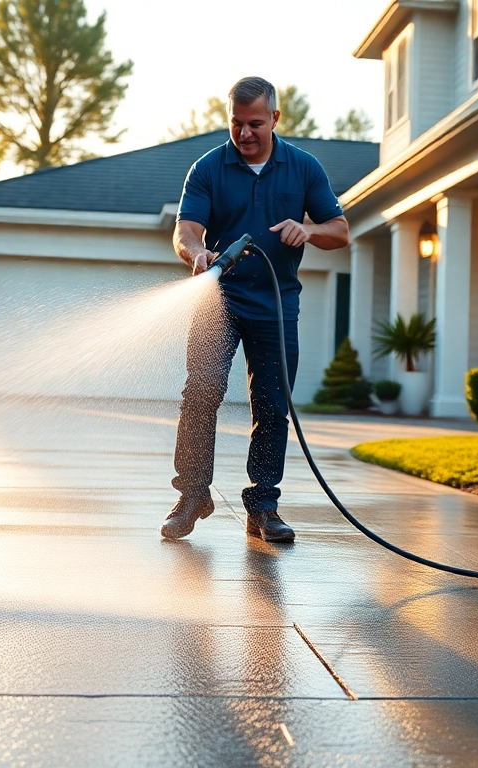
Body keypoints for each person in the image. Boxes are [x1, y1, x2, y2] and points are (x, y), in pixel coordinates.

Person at [162, 76, 349, 543]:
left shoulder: (303, 168)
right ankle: (192, 496)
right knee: (200, 392)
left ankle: (262, 506)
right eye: (236, 124)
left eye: (255, 124)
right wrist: (196, 253)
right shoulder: (207, 167)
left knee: (271, 405)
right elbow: (185, 231)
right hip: (217, 300)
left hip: (277, 304)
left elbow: (340, 230)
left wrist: (308, 231)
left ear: (275, 119)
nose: (244, 134)